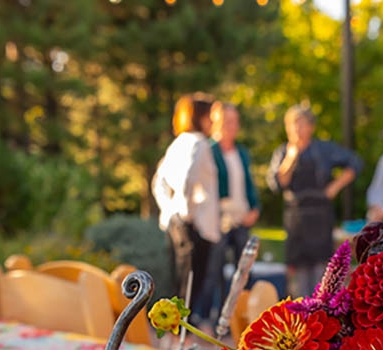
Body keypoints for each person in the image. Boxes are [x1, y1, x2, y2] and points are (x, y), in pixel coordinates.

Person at [267, 104, 362, 298]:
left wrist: (335, 187)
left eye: (301, 124)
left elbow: (355, 162)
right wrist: (291, 157)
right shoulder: (282, 152)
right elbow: (278, 183)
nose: (297, 129)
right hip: (296, 217)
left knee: (321, 272)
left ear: (311, 127)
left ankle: (321, 308)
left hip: (320, 215)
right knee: (299, 274)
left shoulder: (324, 149)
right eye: (293, 124)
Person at [193, 101, 261, 327]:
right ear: (217, 122)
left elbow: (248, 183)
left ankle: (241, 318)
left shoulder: (242, 152)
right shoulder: (208, 150)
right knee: (215, 271)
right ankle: (212, 319)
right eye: (227, 121)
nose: (232, 126)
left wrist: (254, 208)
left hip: (242, 219)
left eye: (235, 121)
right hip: (218, 220)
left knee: (244, 271)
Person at [152, 93, 220, 301]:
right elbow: (188, 179)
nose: (213, 122)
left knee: (180, 284)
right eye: (210, 117)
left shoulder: (178, 143)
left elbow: (158, 182)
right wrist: (188, 215)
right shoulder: (200, 143)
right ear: (201, 117)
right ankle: (183, 324)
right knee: (189, 288)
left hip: (176, 223)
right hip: (196, 227)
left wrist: (168, 212)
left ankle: (178, 324)